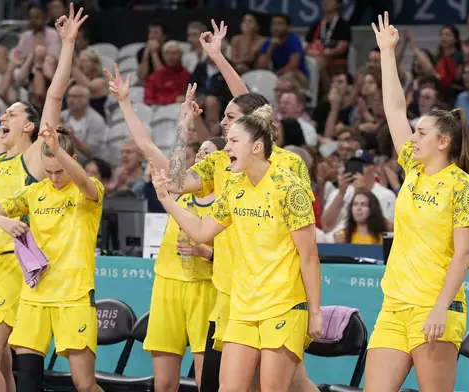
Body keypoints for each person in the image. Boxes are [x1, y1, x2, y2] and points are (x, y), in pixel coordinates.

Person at [105, 19, 319, 392]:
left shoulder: (287, 167)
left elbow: (255, 109)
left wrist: (218, 58)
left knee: (289, 383)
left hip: (277, 293)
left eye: (232, 122)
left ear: (254, 133)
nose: (222, 126)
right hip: (228, 291)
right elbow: (173, 181)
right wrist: (184, 126)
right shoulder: (223, 164)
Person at [0, 4, 87, 391]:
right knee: (2, 364)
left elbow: (55, 97)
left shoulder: (33, 157)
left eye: (10, 114)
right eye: (3, 114)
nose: (2, 118)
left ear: (29, 124)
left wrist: (68, 45)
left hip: (10, 263)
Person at [151, 105, 323, 392]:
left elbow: (309, 257)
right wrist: (166, 200)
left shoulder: (289, 187)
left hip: (283, 305)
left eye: (233, 141)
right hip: (242, 305)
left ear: (257, 147)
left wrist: (315, 312)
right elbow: (203, 231)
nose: (225, 143)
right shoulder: (234, 187)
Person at [368, 13, 469, 392]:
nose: (412, 137)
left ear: (443, 142)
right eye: (414, 131)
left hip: (436, 308)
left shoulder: (463, 187)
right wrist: (388, 52)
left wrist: (440, 308)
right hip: (394, 305)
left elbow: (463, 255)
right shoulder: (413, 171)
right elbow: (394, 110)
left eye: (421, 132)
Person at [0, 124, 104, 392]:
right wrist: (4, 222)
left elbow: (81, 181)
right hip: (35, 298)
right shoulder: (34, 193)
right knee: (29, 382)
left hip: (74, 296)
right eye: (48, 171)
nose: (55, 178)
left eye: (60, 171)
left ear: (73, 162)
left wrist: (58, 149)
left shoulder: (88, 190)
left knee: (84, 384)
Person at [143, 137, 226, 392]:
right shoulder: (180, 191)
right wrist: (124, 101)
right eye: (199, 151)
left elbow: (236, 256)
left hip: (205, 288)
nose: (201, 156)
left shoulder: (227, 199)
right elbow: (147, 144)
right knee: (164, 384)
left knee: (206, 382)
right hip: (167, 285)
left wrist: (206, 252)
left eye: (209, 153)